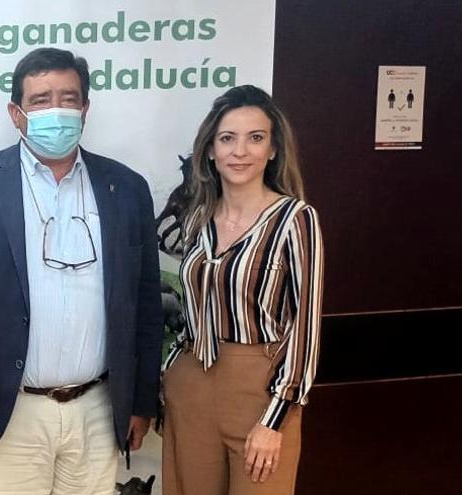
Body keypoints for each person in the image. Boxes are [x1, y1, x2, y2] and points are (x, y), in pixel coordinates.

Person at [0, 47, 163, 494]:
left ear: (86, 109)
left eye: (69, 99)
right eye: (41, 99)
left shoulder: (126, 189)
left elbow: (145, 305)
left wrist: (140, 401)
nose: (57, 110)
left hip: (98, 407)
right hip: (9, 411)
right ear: (16, 113)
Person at [161, 85, 323, 495]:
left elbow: (304, 329)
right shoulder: (197, 218)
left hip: (259, 390)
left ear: (272, 149)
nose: (240, 151)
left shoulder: (295, 219)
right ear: (211, 150)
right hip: (191, 386)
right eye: (227, 139)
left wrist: (274, 419)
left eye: (255, 138)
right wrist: (169, 377)